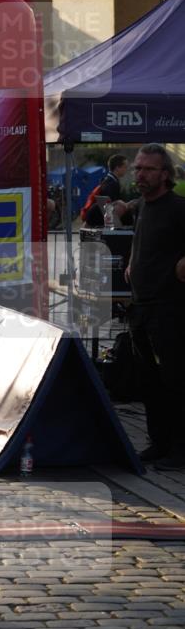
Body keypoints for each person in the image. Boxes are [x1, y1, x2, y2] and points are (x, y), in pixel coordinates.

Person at [125, 144, 185, 469]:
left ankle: (179, 449)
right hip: (141, 306)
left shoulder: (177, 208)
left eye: (148, 169)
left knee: (174, 380)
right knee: (148, 381)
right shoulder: (142, 207)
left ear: (165, 174)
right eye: (138, 168)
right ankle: (158, 442)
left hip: (170, 309)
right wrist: (132, 265)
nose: (140, 175)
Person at [83, 154, 128, 227]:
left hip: (94, 219)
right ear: (117, 168)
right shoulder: (111, 183)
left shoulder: (107, 180)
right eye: (125, 167)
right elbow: (107, 206)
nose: (126, 169)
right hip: (99, 222)